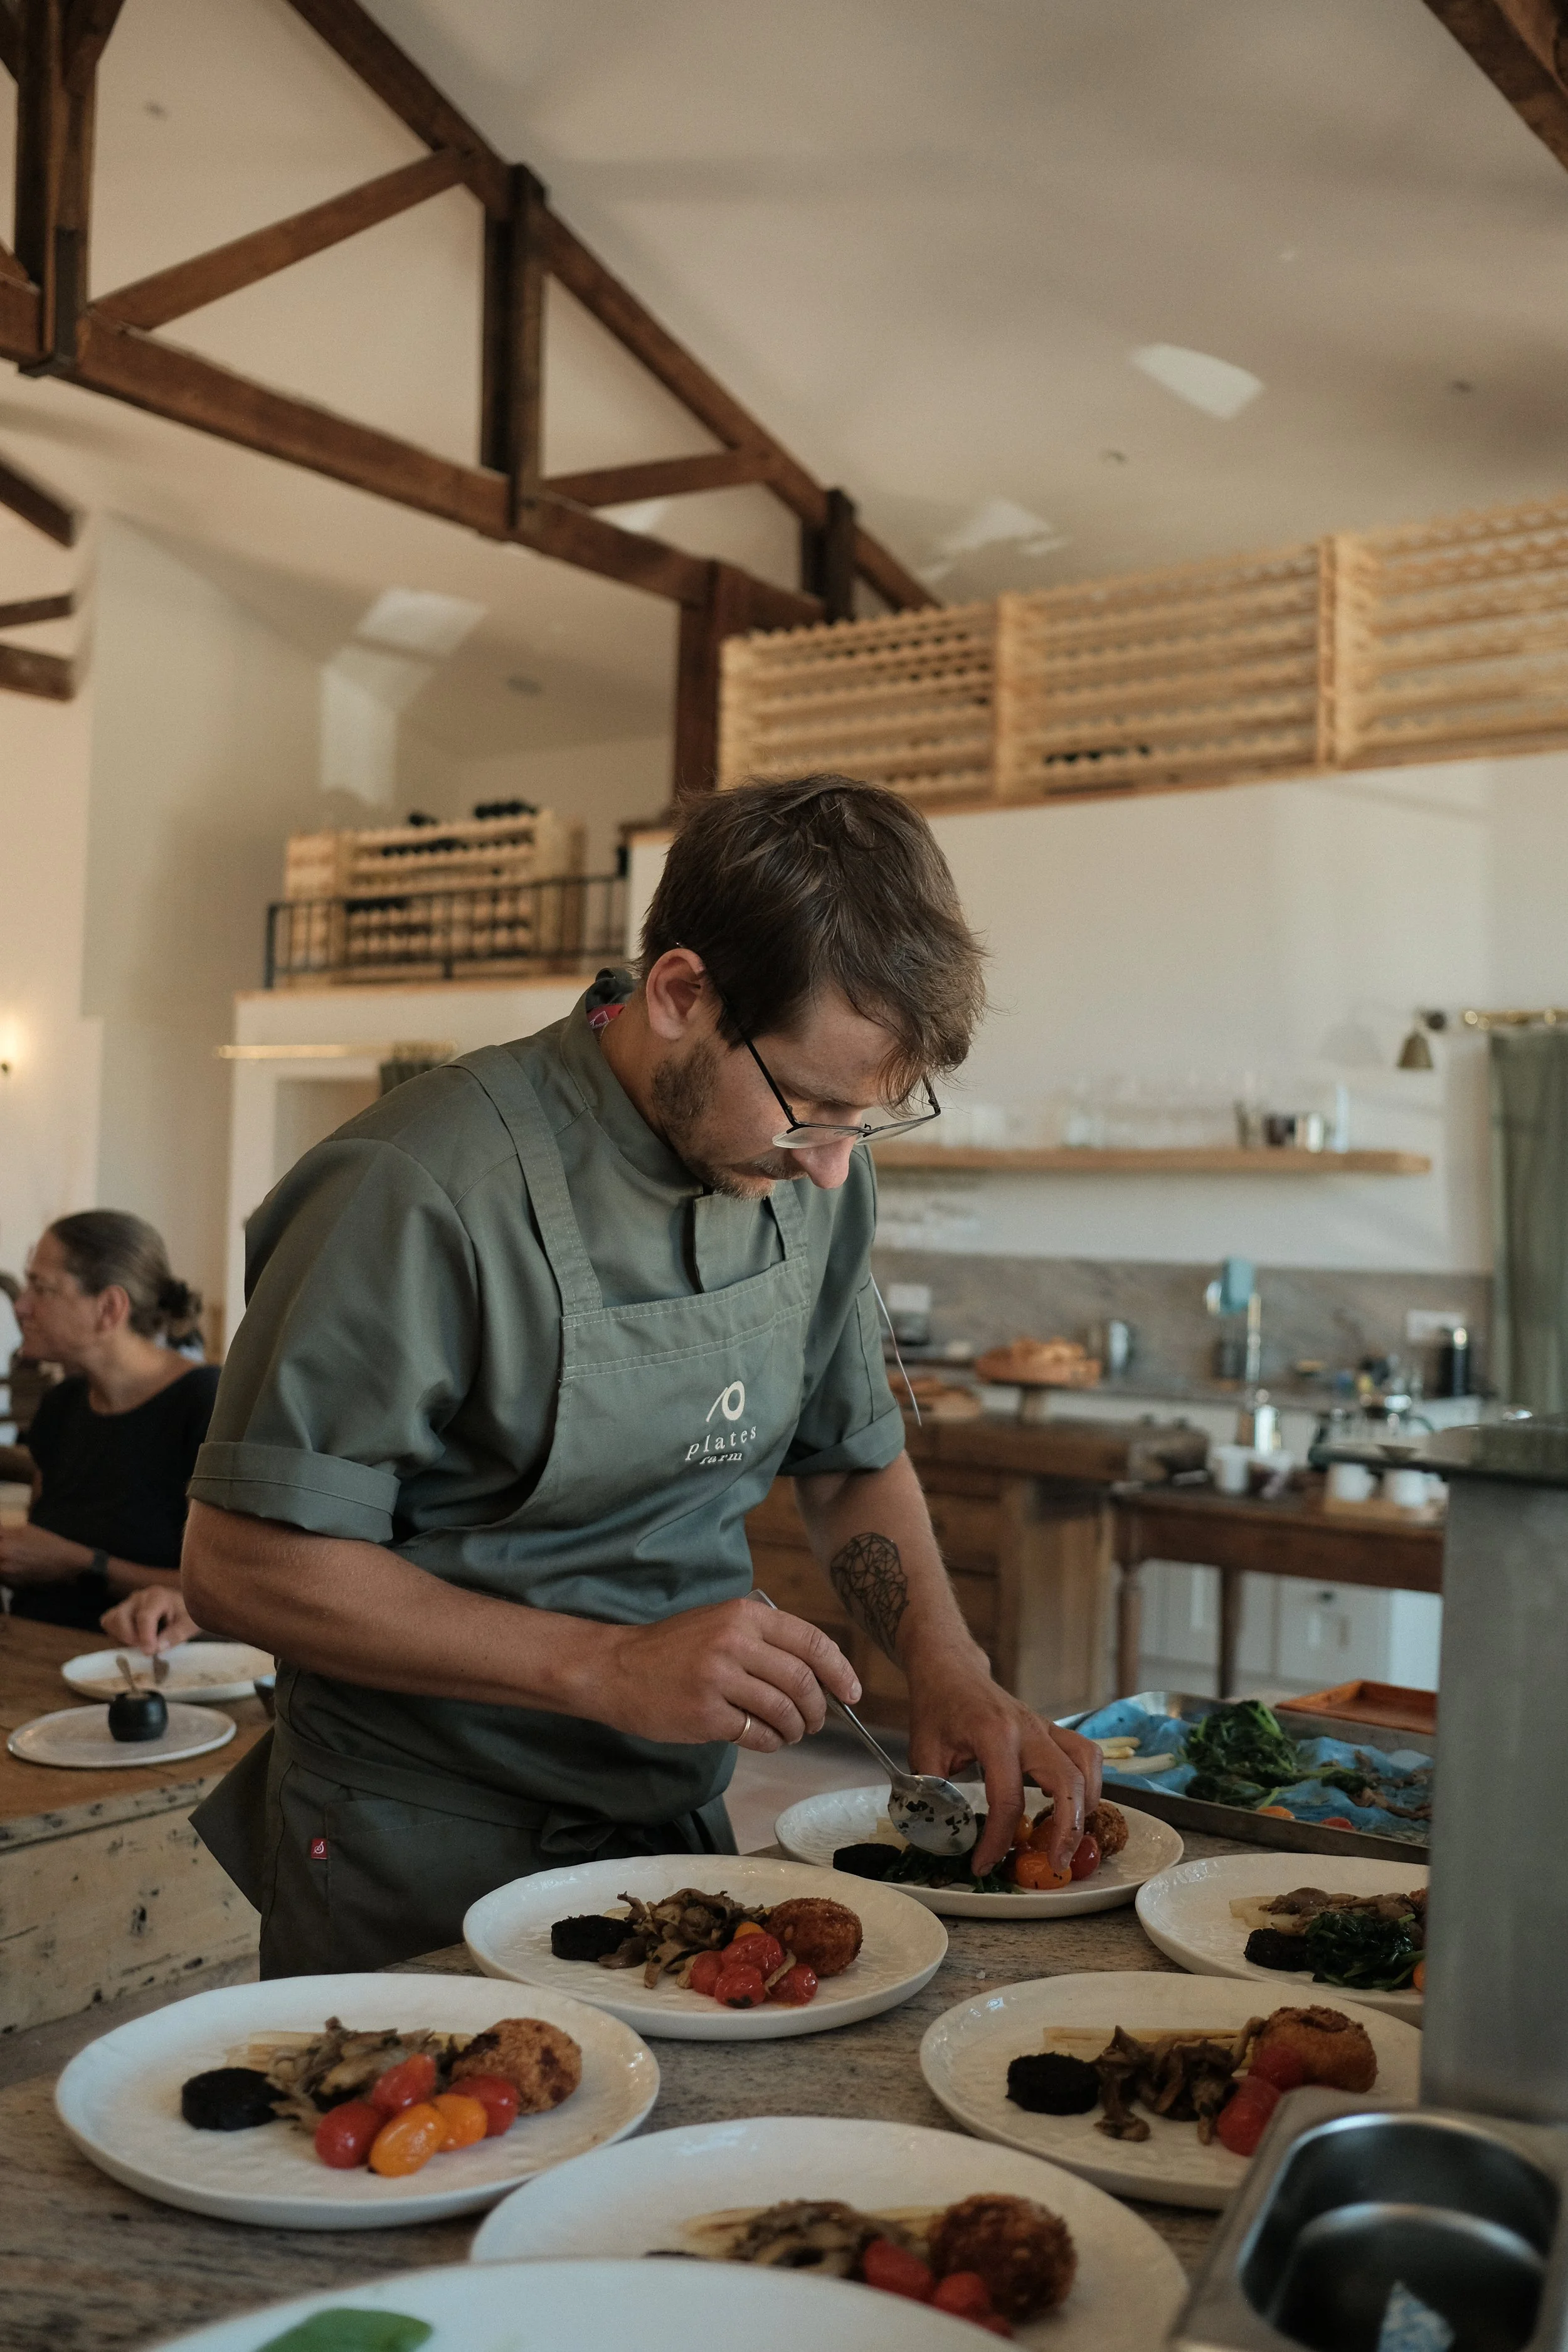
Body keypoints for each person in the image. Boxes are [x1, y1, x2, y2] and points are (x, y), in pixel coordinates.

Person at [182, 776, 1101, 1976]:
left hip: (670, 1825)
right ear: (678, 994)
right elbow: (239, 1564)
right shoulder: (420, 1186)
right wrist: (607, 1666)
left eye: (864, 1126)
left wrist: (949, 1665)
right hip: (416, 1845)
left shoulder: (817, 1176)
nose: (830, 1168)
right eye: (811, 1110)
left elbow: (852, 1460)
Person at [1, 1212, 219, 1629]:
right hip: (37, 1654)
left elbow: (222, 1592)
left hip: (141, 1666)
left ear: (109, 1308)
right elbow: (39, 1555)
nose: (21, 1305)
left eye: (41, 1288)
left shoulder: (205, 1403)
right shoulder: (62, 1406)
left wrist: (79, 1564)